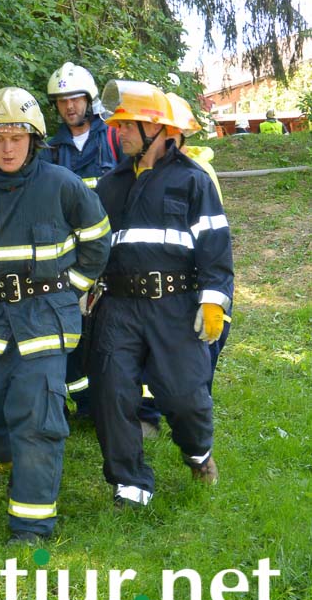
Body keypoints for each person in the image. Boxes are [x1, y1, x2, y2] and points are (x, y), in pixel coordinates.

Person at [0, 86, 111, 543]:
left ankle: (30, 527)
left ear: (33, 139)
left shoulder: (62, 184)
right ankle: (23, 450)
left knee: (36, 418)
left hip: (46, 320)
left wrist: (72, 289)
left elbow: (98, 238)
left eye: (17, 138)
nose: (7, 148)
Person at [88, 80, 234, 508]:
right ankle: (130, 484)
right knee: (112, 393)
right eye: (118, 125)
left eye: (128, 125)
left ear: (156, 129)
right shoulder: (110, 185)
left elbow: (215, 246)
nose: (119, 132)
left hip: (175, 306)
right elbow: (94, 245)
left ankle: (198, 452)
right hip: (118, 307)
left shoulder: (193, 180)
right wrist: (85, 284)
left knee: (184, 397)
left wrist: (213, 300)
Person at [39, 61, 123, 415]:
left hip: (114, 254)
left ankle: (118, 404)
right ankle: (82, 403)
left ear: (89, 100)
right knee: (71, 331)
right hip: (70, 258)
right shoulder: (48, 150)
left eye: (75, 99)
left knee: (112, 333)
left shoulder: (115, 138)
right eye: (62, 101)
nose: (69, 106)